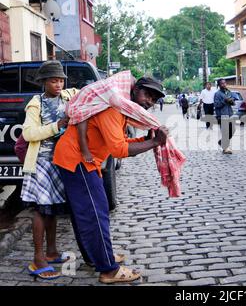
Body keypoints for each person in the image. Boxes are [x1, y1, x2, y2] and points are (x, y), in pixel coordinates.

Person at [53, 76, 170, 284]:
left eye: (154, 99)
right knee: (95, 214)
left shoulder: (120, 106)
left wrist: (146, 140)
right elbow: (119, 150)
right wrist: (154, 142)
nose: (149, 102)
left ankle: (95, 258)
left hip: (79, 160)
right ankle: (108, 269)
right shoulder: (113, 108)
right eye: (147, 95)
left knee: (86, 213)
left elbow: (120, 141)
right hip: (78, 161)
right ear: (136, 89)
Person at [21, 61, 77, 280]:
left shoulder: (67, 96)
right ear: (43, 82)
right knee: (39, 211)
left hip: (59, 162)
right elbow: (28, 134)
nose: (58, 84)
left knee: (51, 209)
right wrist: (57, 126)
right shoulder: (36, 104)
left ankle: (52, 251)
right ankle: (38, 257)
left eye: (61, 80)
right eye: (53, 80)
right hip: (40, 163)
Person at [214, 78, 236, 155]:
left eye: (225, 83)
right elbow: (216, 105)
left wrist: (231, 101)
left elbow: (233, 102)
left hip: (230, 114)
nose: (224, 84)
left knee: (232, 130)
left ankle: (222, 142)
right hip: (222, 115)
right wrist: (224, 101)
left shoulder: (228, 92)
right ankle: (225, 148)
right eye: (222, 83)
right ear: (219, 85)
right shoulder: (217, 94)